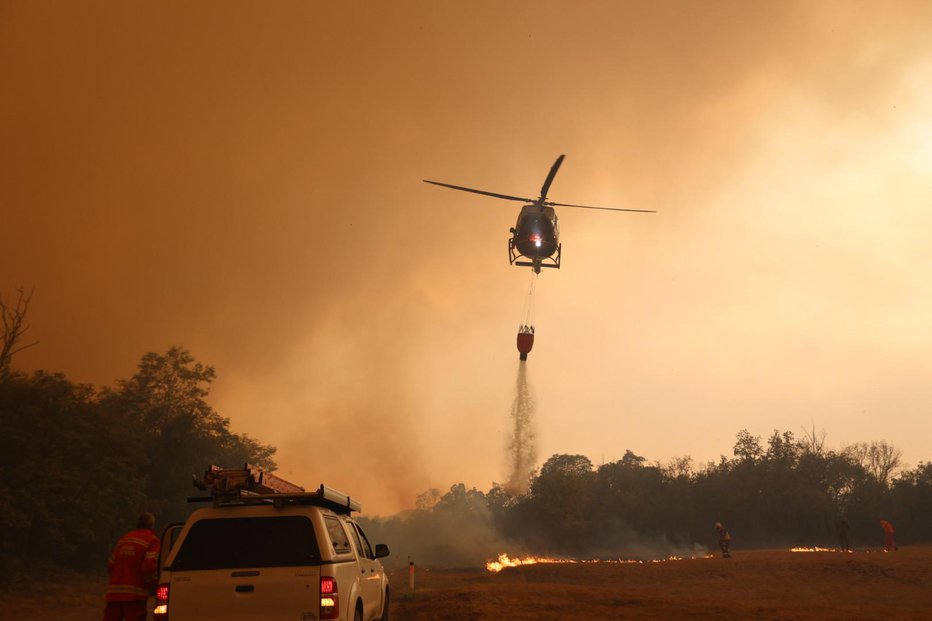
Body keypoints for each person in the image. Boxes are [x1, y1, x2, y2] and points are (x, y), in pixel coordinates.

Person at [103, 512, 160, 621]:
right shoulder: (152, 540)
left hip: (114, 594)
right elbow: (148, 567)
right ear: (152, 525)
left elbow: (111, 564)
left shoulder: (125, 538)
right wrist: (153, 584)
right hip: (135, 595)